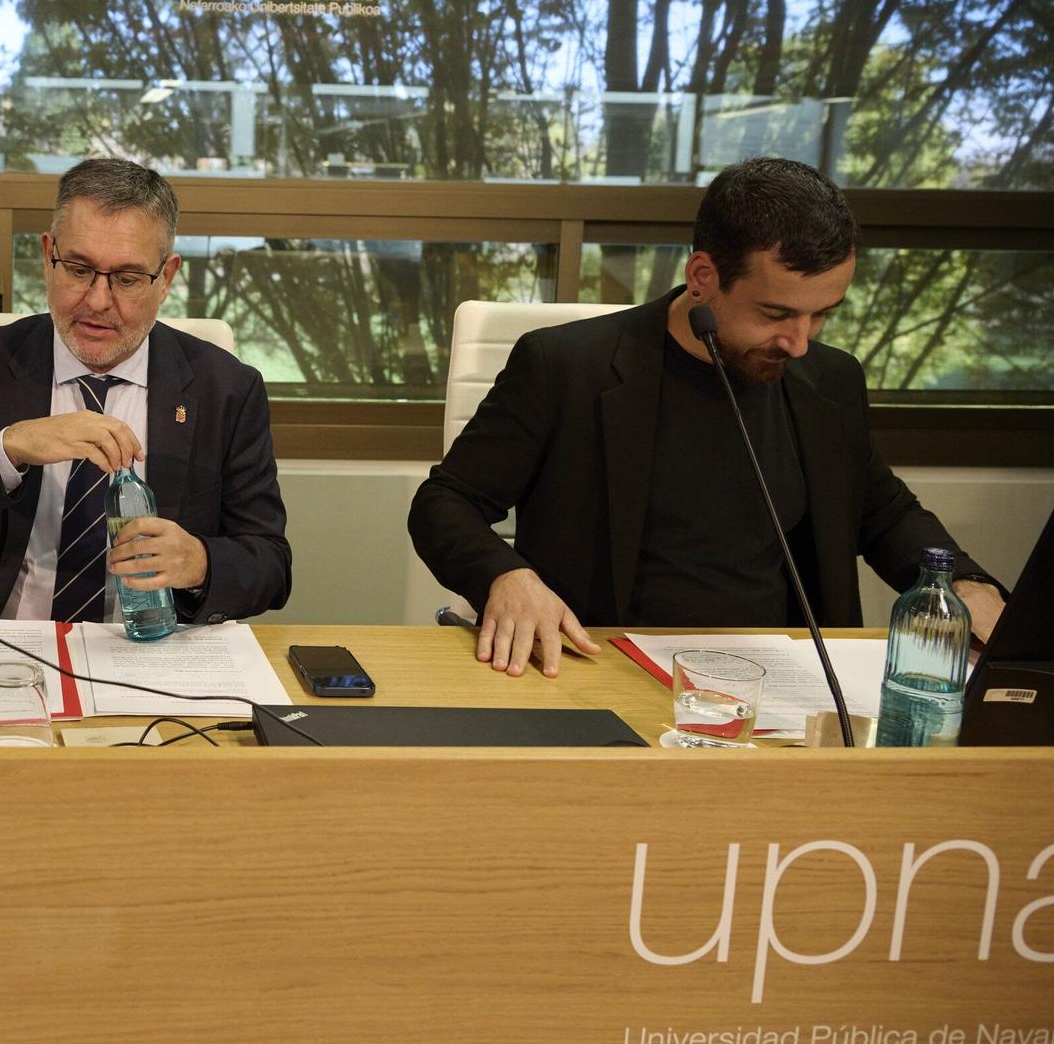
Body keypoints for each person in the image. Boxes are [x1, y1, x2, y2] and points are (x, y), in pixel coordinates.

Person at [409, 156, 1006, 677]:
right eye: (775, 313)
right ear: (703, 278)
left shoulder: (830, 380)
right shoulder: (567, 367)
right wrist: (505, 577)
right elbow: (445, 504)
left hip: (782, 679)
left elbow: (884, 512)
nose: (799, 341)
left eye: (823, 314)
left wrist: (961, 583)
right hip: (605, 665)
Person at [0, 158, 290, 623]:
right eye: (78, 270)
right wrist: (7, 448)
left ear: (167, 278)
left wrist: (199, 561)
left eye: (127, 279)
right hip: (5, 645)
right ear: (47, 255)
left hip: (148, 654)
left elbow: (271, 564)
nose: (98, 302)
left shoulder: (227, 390)